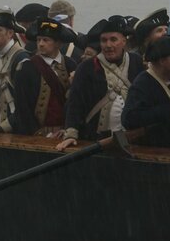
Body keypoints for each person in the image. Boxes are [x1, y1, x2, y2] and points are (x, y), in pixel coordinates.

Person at [58, 15, 143, 149]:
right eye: (104, 40)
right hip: (96, 139)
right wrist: (71, 134)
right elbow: (75, 103)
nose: (108, 45)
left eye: (113, 39)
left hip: (131, 140)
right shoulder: (86, 68)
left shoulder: (137, 62)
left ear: (124, 41)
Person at [13, 17, 78, 136]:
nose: (41, 44)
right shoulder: (26, 68)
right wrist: (38, 133)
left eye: (46, 40)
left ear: (58, 43)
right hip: (38, 133)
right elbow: (23, 107)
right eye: (38, 40)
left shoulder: (70, 64)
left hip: (65, 133)